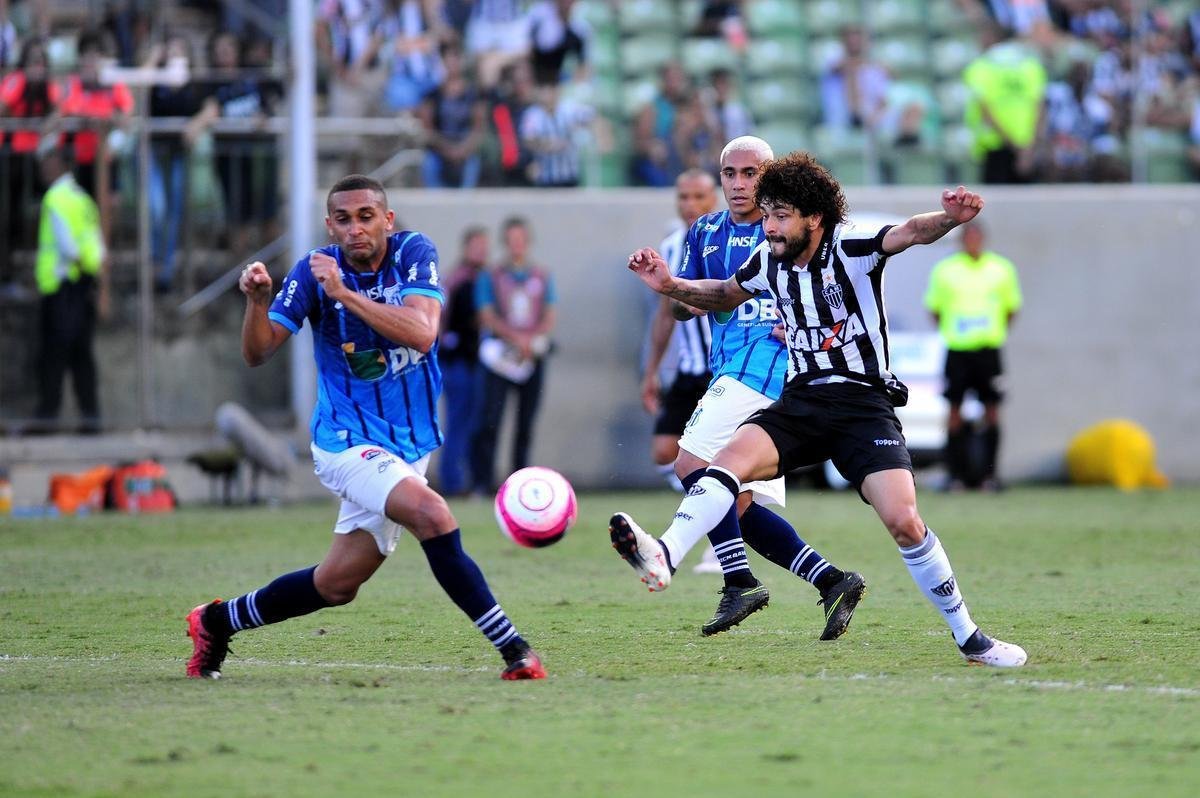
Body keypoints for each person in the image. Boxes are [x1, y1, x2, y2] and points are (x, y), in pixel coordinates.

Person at [621, 152, 1027, 667]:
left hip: (863, 405)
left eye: (781, 216)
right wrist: (669, 285)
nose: (769, 226)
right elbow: (723, 294)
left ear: (814, 217)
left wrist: (949, 218)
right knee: (722, 464)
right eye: (768, 214)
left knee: (904, 522)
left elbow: (910, 232)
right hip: (803, 400)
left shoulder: (852, 245)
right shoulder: (768, 259)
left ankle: (970, 638)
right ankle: (665, 554)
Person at [185, 174, 545, 681]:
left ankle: (216, 622)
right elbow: (257, 351)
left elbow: (423, 333)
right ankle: (516, 651)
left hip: (408, 445)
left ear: (387, 220)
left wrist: (344, 294)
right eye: (343, 219)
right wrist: (257, 302)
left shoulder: (413, 253)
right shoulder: (313, 271)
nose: (355, 228)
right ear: (330, 226)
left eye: (366, 217)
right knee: (432, 514)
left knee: (336, 584)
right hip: (346, 441)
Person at [612, 136, 865, 640]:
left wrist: (807, 321)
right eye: (730, 173)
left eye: (751, 173)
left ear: (770, 176)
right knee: (738, 504)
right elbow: (686, 304)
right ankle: (832, 581)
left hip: (768, 368)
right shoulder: (705, 231)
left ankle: (716, 573)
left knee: (690, 463)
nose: (739, 183)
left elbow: (838, 288)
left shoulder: (793, 229)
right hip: (728, 365)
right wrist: (676, 290)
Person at [640, 169, 721, 573]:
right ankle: (708, 513)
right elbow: (664, 315)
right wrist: (651, 370)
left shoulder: (729, 239)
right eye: (683, 196)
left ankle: (720, 544)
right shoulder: (672, 246)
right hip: (689, 369)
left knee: (721, 459)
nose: (690, 205)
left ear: (714, 198)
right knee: (664, 450)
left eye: (698, 196)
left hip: (725, 368)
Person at [924, 221, 1021, 491]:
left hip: (988, 350)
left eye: (977, 238)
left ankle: (989, 476)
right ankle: (956, 475)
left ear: (983, 240)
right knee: (954, 410)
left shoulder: (1001, 269)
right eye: (968, 238)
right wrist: (954, 331)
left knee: (992, 410)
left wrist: (993, 331)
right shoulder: (945, 270)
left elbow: (1011, 308)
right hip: (958, 350)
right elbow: (934, 309)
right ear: (962, 241)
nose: (973, 242)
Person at [470, 216, 556, 494]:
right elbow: (486, 314)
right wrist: (515, 338)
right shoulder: (491, 276)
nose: (517, 245)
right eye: (512, 240)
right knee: (490, 420)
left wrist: (531, 339)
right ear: (505, 243)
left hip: (531, 357)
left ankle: (521, 483)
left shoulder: (541, 275)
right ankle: (483, 482)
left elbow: (550, 313)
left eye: (521, 239)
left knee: (525, 423)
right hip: (501, 358)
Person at [32, 140, 108, 433]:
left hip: (62, 285)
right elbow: (98, 246)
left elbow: (67, 246)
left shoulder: (55, 198)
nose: (43, 168)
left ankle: (46, 418)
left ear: (59, 165)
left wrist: (77, 266)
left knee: (53, 355)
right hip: (85, 285)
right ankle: (91, 419)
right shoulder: (83, 198)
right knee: (81, 355)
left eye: (47, 161)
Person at [437, 225, 489, 496]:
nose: (481, 252)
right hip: (456, 362)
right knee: (458, 422)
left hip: (475, 361)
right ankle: (452, 482)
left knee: (472, 423)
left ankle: (466, 478)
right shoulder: (456, 279)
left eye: (484, 247)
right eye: (476, 247)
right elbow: (440, 318)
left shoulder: (484, 278)